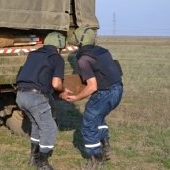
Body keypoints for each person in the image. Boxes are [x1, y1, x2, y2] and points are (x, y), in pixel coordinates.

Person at [66, 26, 123, 168]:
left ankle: (97, 160)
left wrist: (76, 97)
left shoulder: (83, 59)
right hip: (118, 89)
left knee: (88, 125)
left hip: (105, 93)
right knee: (99, 117)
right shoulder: (103, 51)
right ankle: (106, 147)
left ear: (80, 41)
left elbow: (92, 86)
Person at [16, 31, 70, 170]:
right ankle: (43, 163)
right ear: (59, 46)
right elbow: (56, 84)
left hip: (20, 96)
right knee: (49, 128)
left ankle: (33, 158)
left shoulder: (33, 54)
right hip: (35, 97)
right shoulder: (56, 58)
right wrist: (63, 90)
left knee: (36, 125)